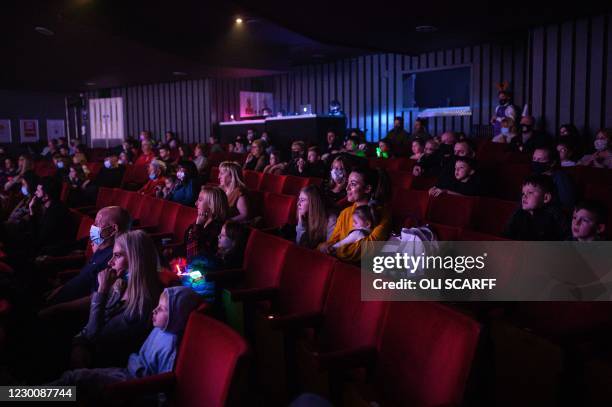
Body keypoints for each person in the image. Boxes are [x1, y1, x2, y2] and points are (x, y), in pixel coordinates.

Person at [49, 286, 201, 404]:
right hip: (127, 372)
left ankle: (31, 396)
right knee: (74, 378)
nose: (154, 311)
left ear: (177, 316)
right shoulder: (161, 329)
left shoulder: (171, 347)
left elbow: (163, 389)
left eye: (162, 309)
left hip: (133, 386)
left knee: (78, 380)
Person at [71, 230, 162, 368]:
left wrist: (102, 291)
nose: (110, 262)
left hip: (105, 367)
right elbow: (91, 328)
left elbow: (97, 338)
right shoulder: (120, 285)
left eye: (117, 256)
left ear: (135, 259)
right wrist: (78, 342)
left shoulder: (142, 304)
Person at [41, 207, 132, 312]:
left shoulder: (114, 259)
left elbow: (96, 298)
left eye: (97, 223)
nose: (93, 227)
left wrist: (56, 309)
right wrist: (59, 290)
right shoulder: (102, 247)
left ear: (113, 229)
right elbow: (84, 277)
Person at [318, 168, 392, 262]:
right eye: (348, 183)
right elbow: (333, 241)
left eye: (353, 184)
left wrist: (334, 250)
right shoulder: (345, 213)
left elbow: (367, 249)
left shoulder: (382, 214)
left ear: (367, 189)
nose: (347, 188)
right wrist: (322, 247)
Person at [503, 175, 569, 241]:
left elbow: (566, 239)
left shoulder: (555, 215)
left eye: (530, 192)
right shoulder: (519, 213)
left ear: (546, 198)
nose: (524, 196)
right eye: (523, 193)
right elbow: (506, 235)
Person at [28, 177, 73, 257]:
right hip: (43, 248)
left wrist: (31, 212)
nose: (35, 193)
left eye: (38, 191)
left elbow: (38, 240)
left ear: (46, 196)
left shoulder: (56, 213)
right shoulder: (50, 207)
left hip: (48, 255)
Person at [182, 186, 228, 259]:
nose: (196, 203)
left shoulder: (219, 228)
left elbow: (198, 256)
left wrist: (198, 226)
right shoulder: (201, 221)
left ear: (212, 205)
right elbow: (186, 245)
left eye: (200, 200)